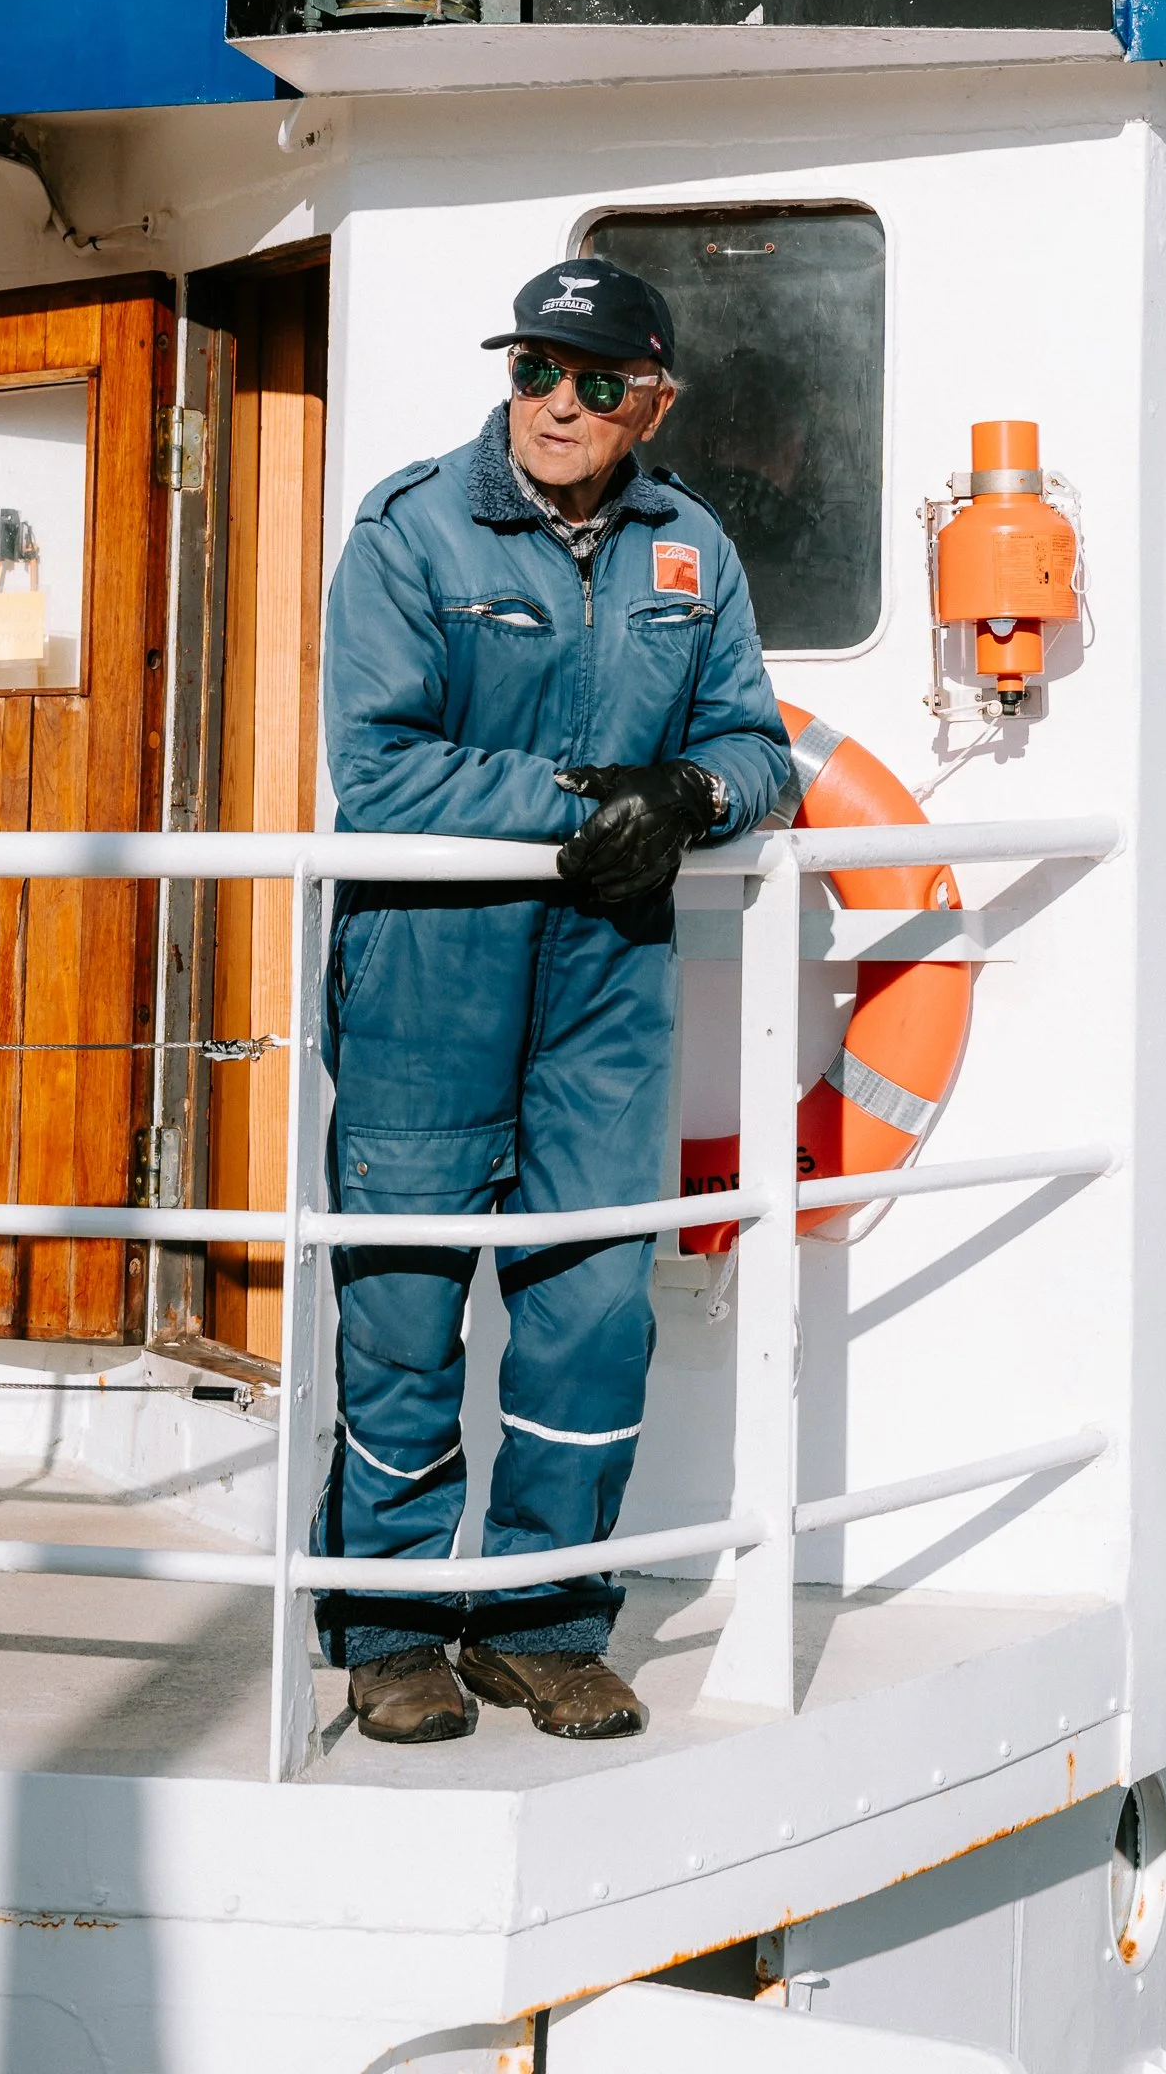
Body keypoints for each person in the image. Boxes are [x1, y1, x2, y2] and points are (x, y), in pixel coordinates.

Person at [316, 257, 790, 1747]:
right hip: (425, 971)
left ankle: (541, 1620)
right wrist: (590, 803)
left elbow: (757, 745)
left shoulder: (691, 551)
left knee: (589, 1307)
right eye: (534, 370)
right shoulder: (410, 531)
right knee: (403, 1308)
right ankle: (390, 1626)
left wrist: (695, 789)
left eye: (593, 380)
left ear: (654, 398)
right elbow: (380, 771)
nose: (555, 405)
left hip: (607, 977)